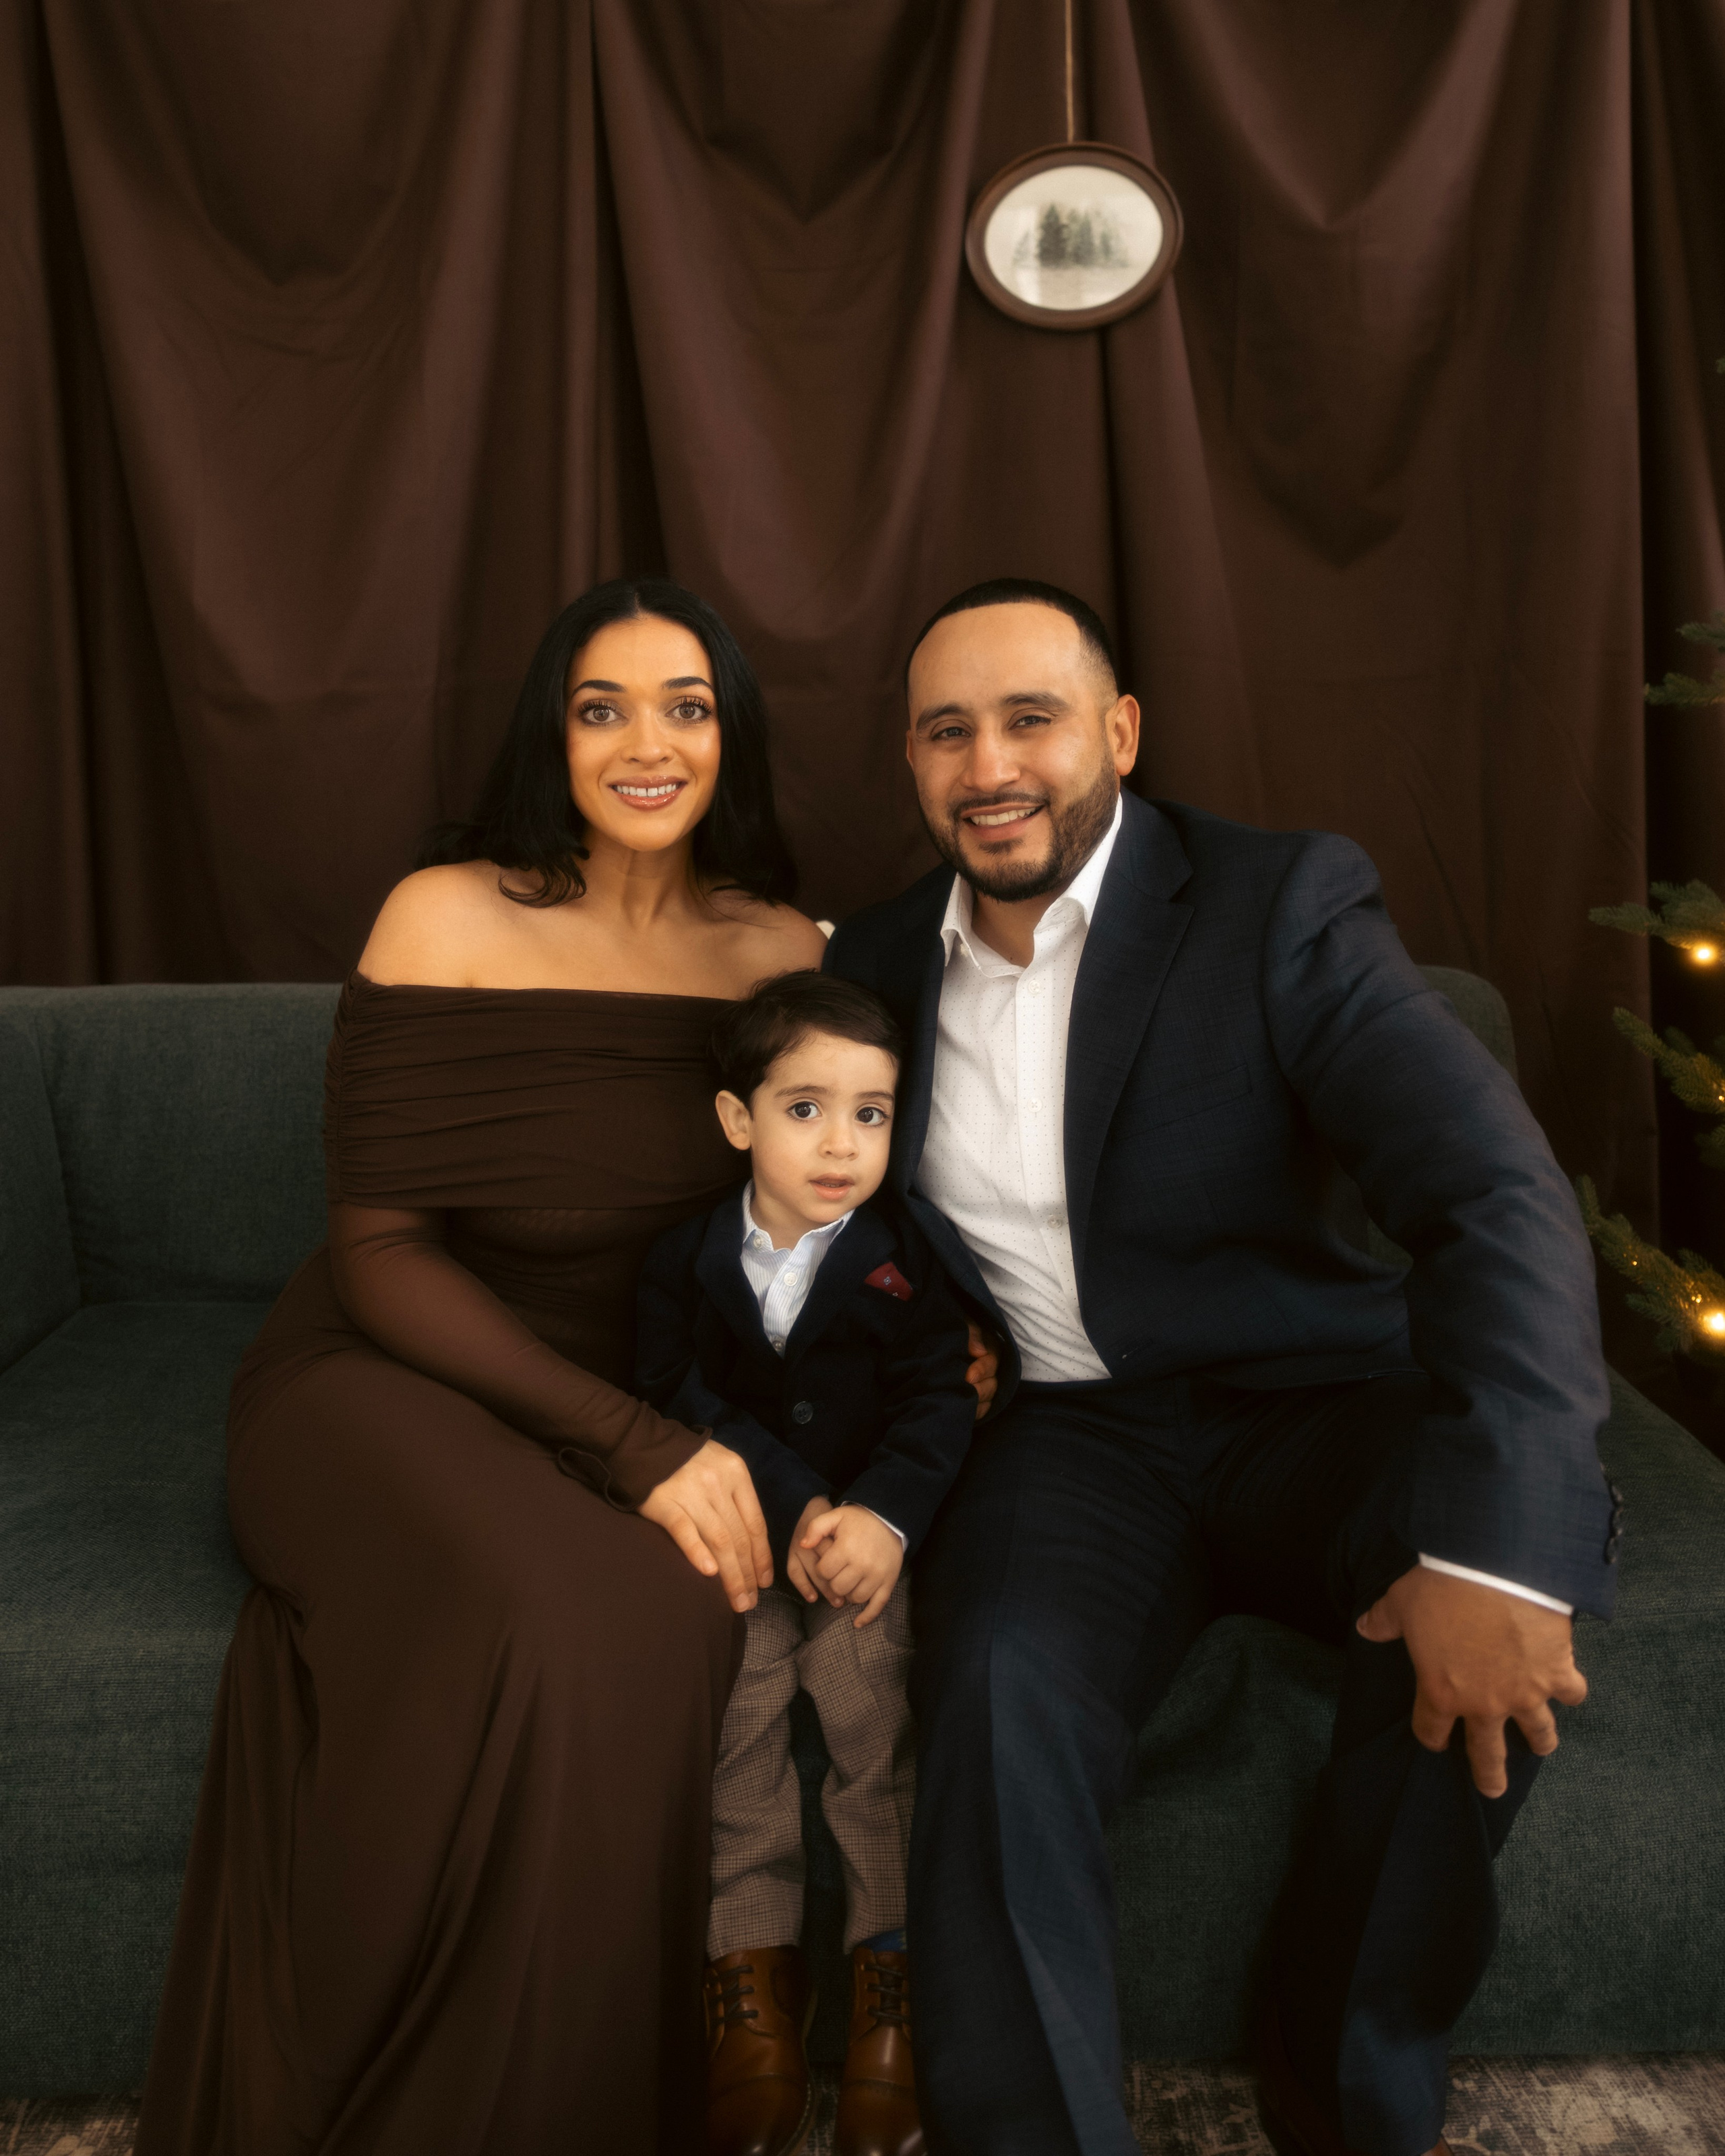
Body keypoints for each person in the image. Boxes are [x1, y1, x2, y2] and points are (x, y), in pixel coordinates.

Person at [823, 578, 1624, 2156]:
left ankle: (1337, 2086)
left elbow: (1488, 1193)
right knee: (991, 1694)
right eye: (945, 730)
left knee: (1469, 1623)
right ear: (911, 764)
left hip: (1320, 1404)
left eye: (1030, 718)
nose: (989, 763)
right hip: (1071, 1444)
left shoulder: (1279, 903)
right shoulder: (870, 961)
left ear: (1117, 732)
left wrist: (1495, 1545)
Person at [136, 578, 831, 2156]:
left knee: (674, 1608)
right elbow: (383, 1253)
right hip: (382, 1371)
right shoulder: (442, 912)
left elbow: (823, 1199)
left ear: (733, 736)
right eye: (602, 708)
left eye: (685, 705)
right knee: (560, 1600)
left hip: (623, 1398)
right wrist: (643, 1451)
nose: (644, 743)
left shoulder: (780, 949)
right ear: (554, 734)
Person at [637, 970, 978, 2156]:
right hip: (744, 1538)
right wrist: (793, 1505)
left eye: (872, 1114)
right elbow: (671, 1395)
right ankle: (754, 1982)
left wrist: (881, 1519)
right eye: (805, 1110)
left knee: (872, 1718)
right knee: (738, 1712)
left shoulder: (903, 1258)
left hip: (864, 1551)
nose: (841, 1144)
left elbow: (940, 1403)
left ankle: (888, 1974)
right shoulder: (683, 1259)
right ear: (739, 1119)